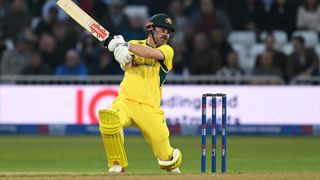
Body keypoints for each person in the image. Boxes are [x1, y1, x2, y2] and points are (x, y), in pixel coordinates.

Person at [98, 13, 182, 173]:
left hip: (150, 108)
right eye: (162, 30)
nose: (166, 35)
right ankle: (117, 164)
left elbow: (151, 54)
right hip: (126, 101)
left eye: (168, 32)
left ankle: (172, 161)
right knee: (109, 119)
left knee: (169, 161)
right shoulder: (135, 43)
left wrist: (123, 44)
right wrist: (120, 54)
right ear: (151, 29)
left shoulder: (167, 51)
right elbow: (127, 66)